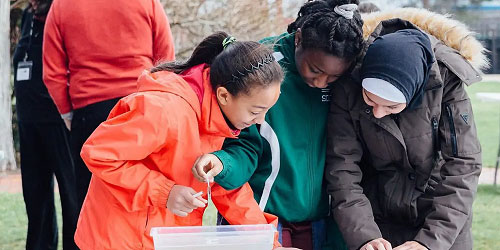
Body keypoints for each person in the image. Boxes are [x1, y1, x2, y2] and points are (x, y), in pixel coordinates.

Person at [73, 32, 299, 250]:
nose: (259, 121)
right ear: (224, 95)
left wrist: (270, 245)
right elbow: (99, 153)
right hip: (118, 240)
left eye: (266, 112)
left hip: (164, 238)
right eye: (255, 111)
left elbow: (227, 189)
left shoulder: (219, 117)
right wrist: (164, 192)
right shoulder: (164, 110)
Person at [191, 0, 364, 249]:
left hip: (323, 221)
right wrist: (223, 163)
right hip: (260, 218)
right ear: (299, 39)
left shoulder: (349, 77)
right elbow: (242, 144)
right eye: (315, 70)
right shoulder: (262, 70)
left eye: (332, 77)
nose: (321, 83)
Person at [325, 9, 488, 250]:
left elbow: (463, 165)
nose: (378, 112)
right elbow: (342, 167)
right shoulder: (348, 84)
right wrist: (365, 236)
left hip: (443, 218)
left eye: (391, 106)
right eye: (370, 101)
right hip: (377, 215)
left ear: (413, 93)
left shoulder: (447, 81)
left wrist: (429, 242)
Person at [42, 0, 175, 210]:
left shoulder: (61, 5)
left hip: (90, 111)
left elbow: (52, 73)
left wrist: (67, 114)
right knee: (146, 196)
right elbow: (166, 57)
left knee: (92, 203)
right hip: (141, 105)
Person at [12, 0, 79, 249]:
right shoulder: (28, 16)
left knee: (72, 197)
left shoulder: (63, 12)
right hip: (29, 122)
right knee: (35, 197)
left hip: (59, 120)